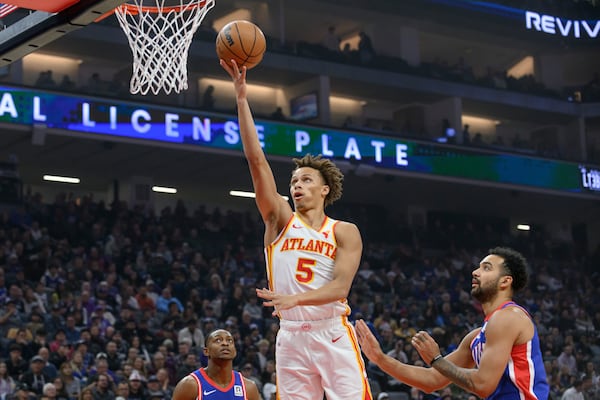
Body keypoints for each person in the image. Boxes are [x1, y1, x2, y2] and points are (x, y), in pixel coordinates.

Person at [220, 58, 371, 400]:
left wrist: (295, 298)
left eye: (306, 180)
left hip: (332, 332)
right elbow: (256, 160)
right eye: (293, 181)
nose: (297, 186)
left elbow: (340, 287)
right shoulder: (279, 219)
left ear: (324, 190)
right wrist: (242, 99)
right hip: (290, 336)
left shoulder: (345, 231)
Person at [356, 247, 549, 400]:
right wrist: (380, 359)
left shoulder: (508, 317)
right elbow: (432, 380)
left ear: (505, 282)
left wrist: (436, 359)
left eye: (486, 268)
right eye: (478, 267)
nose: (475, 272)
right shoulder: (477, 336)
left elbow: (483, 385)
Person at [171, 329, 260, 400]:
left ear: (235, 351)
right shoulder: (190, 384)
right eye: (218, 340)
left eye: (229, 341)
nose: (225, 343)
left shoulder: (248, 387)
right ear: (206, 351)